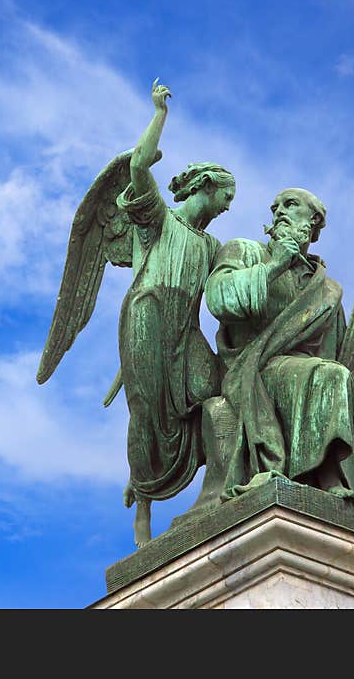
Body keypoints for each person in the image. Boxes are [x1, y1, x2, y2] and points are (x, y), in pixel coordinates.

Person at [203, 188, 354, 502]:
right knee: (329, 375)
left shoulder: (328, 290)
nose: (279, 211)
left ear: (314, 222)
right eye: (275, 207)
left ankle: (328, 473)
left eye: (290, 205)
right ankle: (328, 476)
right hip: (255, 369)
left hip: (315, 379)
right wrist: (275, 266)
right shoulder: (245, 251)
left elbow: (348, 369)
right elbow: (220, 299)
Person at [117, 80, 236, 546]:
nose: (230, 204)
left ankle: (222, 482)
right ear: (206, 187)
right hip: (146, 316)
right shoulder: (159, 218)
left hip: (185, 330)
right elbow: (137, 164)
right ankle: (142, 502)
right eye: (227, 194)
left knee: (218, 392)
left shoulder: (211, 245)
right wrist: (159, 114)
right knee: (146, 412)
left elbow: (227, 294)